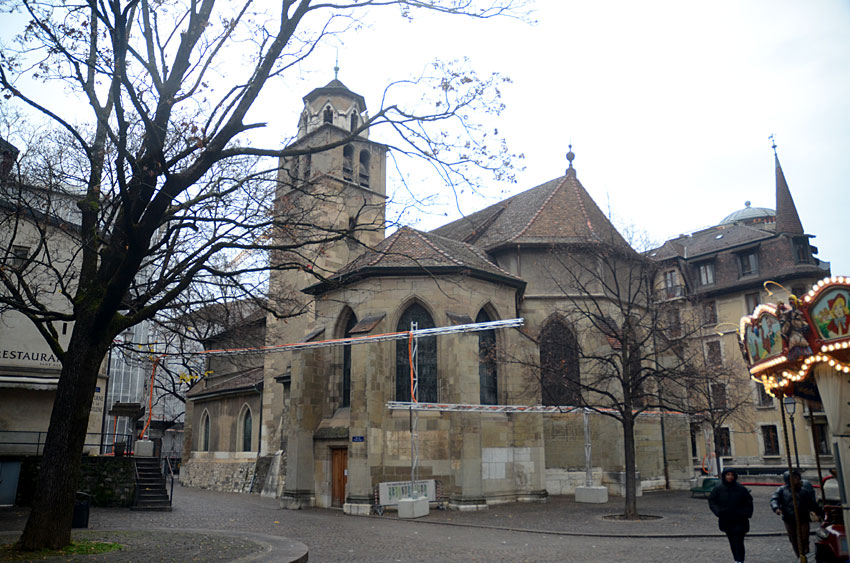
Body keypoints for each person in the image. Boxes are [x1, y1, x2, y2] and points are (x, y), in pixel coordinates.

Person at [770, 470, 824, 559]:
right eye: (794, 478)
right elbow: (774, 499)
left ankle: (805, 554)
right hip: (789, 519)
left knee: (804, 539)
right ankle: (799, 556)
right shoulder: (782, 490)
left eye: (797, 477)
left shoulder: (804, 491)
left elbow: (812, 504)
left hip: (803, 518)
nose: (796, 480)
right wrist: (776, 508)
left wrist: (820, 513)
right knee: (793, 539)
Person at [709, 469, 754, 563]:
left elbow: (749, 502)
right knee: (732, 541)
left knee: (739, 540)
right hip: (726, 519)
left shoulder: (741, 489)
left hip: (740, 519)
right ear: (724, 476)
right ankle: (736, 559)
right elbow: (712, 501)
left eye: (732, 475)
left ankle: (740, 560)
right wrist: (718, 512)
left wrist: (746, 513)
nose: (730, 477)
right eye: (728, 475)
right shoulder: (718, 489)